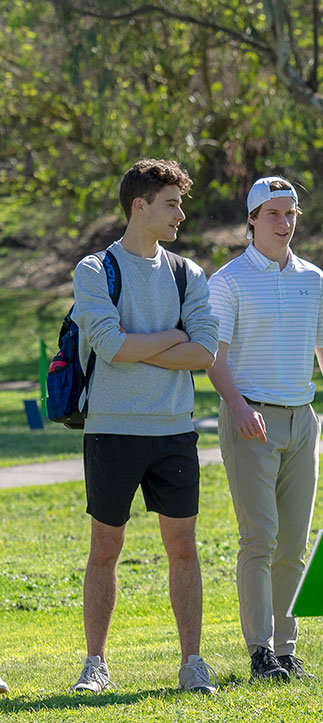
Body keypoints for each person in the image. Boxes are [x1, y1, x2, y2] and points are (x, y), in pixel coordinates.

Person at [207, 176, 323, 683]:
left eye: (291, 213)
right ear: (252, 219)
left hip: (304, 420)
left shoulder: (313, 279)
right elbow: (214, 356)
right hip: (250, 420)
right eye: (274, 214)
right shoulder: (229, 281)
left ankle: (286, 648)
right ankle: (260, 653)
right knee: (259, 539)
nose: (284, 223)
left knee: (293, 545)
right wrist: (236, 406)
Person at [70, 158, 220, 695]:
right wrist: (171, 337)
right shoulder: (94, 271)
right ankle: (95, 663)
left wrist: (140, 344)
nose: (180, 214)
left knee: (183, 546)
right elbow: (109, 347)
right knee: (105, 547)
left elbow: (204, 352)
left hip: (174, 430)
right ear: (140, 206)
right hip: (111, 429)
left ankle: (192, 664)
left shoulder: (189, 273)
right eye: (172, 204)